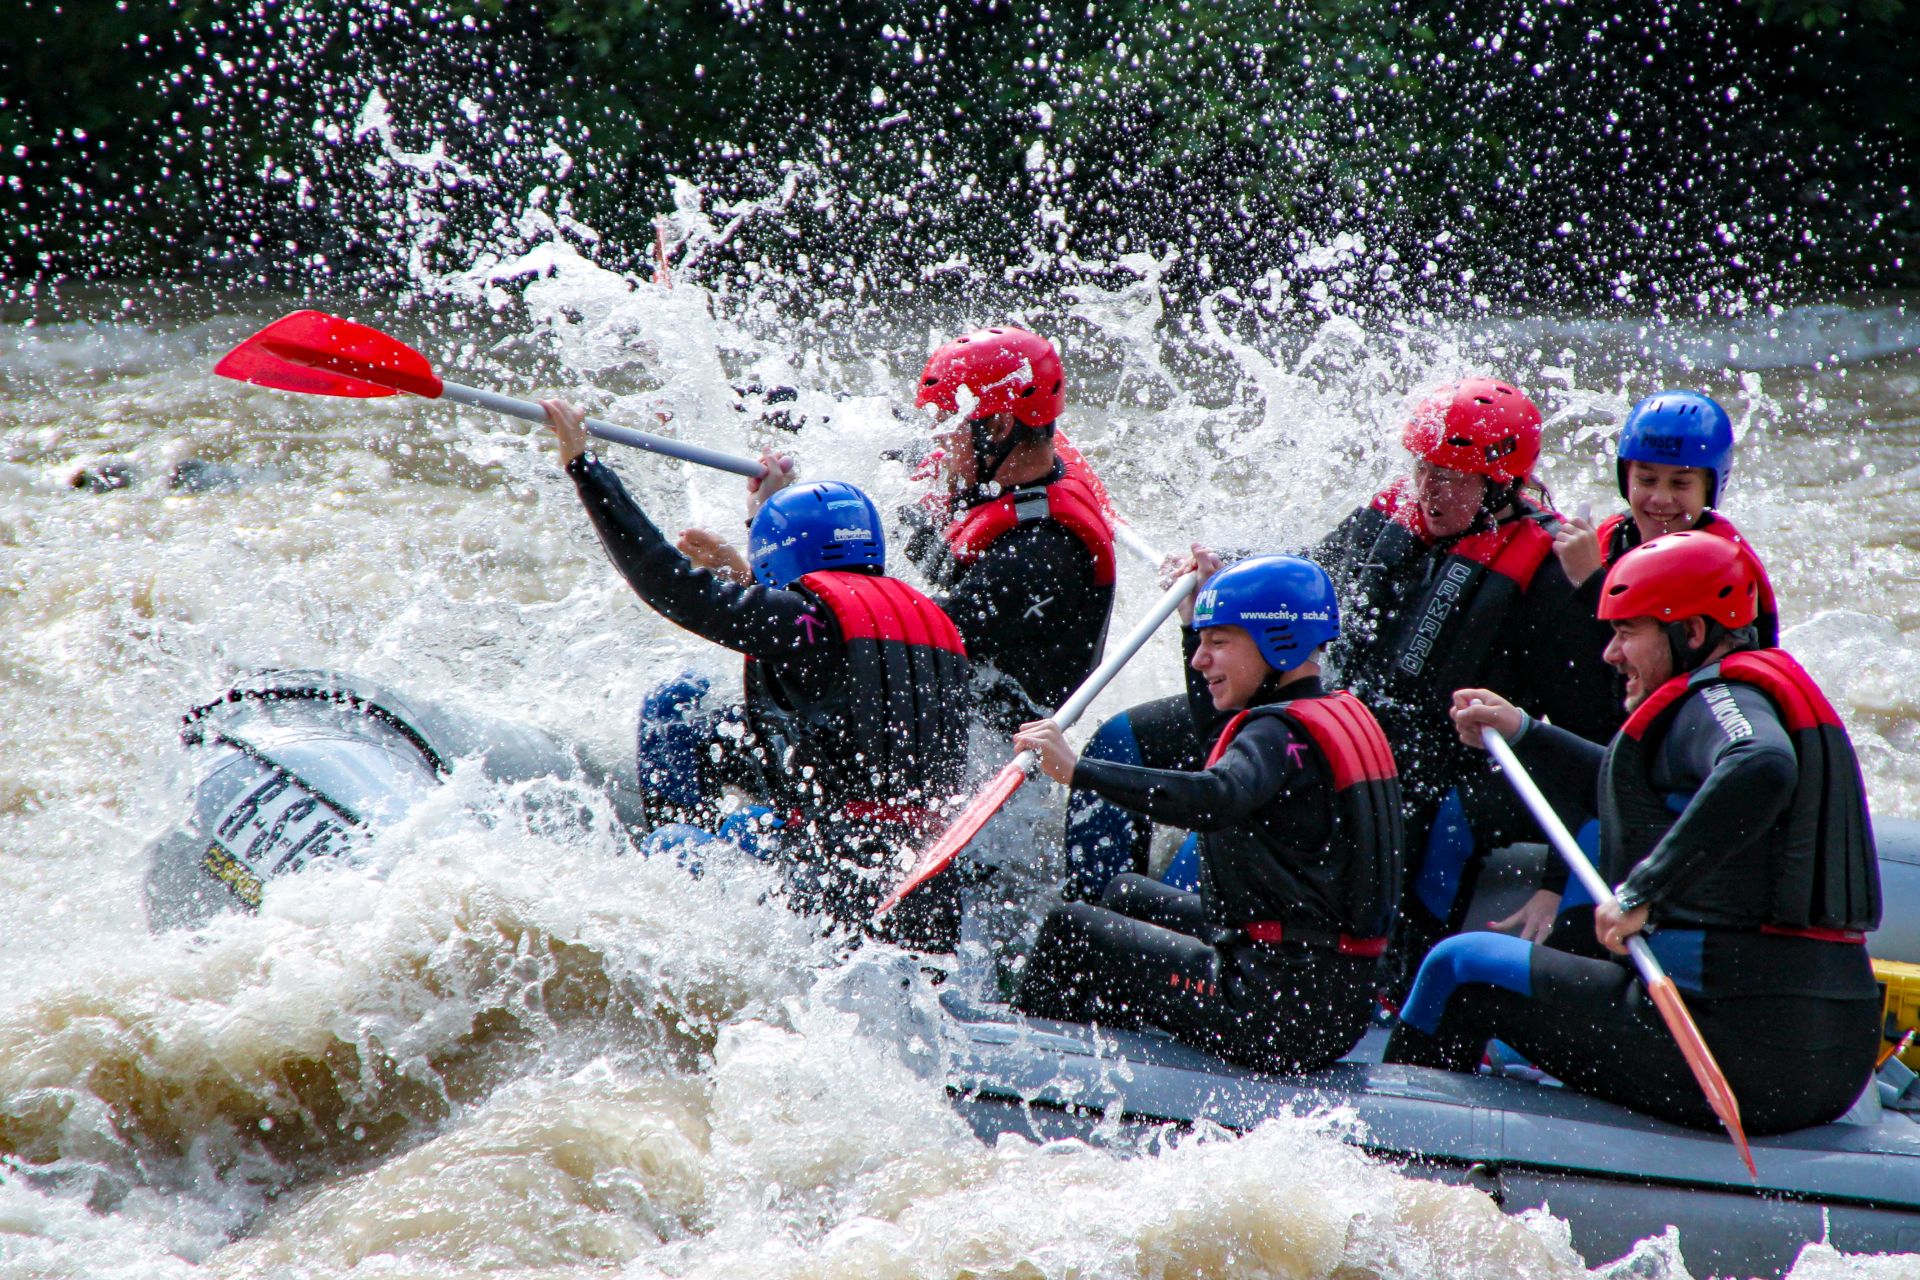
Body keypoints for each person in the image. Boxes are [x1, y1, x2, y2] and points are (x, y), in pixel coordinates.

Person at [1065, 379, 1618, 970]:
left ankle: (1376, 972)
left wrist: (1557, 884)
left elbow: (1595, 744)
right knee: (1121, 740)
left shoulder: (1550, 576)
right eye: (1425, 469)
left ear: (1501, 485)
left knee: (1228, 829)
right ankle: (1088, 924)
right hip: (1315, 721)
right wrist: (1221, 571)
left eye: (1454, 478)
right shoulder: (1387, 519)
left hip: (1420, 762)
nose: (1432, 491)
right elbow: (1302, 577)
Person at [1387, 530, 1882, 1134]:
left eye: (1627, 633)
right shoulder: (1738, 694)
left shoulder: (1719, 701)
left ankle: (1397, 1155)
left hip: (1737, 1049)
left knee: (1458, 966)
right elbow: (1635, 796)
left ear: (1691, 633)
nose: (1610, 654)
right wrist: (1523, 731)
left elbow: (1760, 765)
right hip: (1829, 1056)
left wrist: (1643, 892)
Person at [542, 398, 974, 947]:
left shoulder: (805, 619)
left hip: (832, 879)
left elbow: (664, 580)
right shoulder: (919, 614)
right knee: (683, 704)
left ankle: (684, 867)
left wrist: (585, 469)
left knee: (677, 842)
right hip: (920, 877)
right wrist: (758, 536)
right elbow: (825, 658)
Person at [1008, 553, 1404, 1073]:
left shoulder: (1277, 734)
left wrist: (1079, 771)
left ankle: (1025, 1074)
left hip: (1272, 1010)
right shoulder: (1326, 715)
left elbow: (1214, 795)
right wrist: (1192, 622)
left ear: (1276, 641)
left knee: (1071, 930)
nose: (1200, 659)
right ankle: (1115, 1048)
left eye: (1218, 643)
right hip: (1327, 996)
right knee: (1123, 893)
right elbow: (1219, 745)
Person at [1551, 389, 1779, 646]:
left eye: (1680, 483)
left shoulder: (1720, 564)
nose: (1660, 498)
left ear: (1709, 487)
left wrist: (1590, 580)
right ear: (1626, 477)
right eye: (1646, 480)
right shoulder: (1616, 535)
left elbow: (1653, 654)